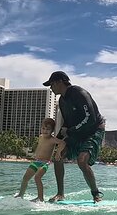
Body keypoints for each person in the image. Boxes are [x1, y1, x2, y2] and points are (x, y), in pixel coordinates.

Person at [43, 71, 105, 203]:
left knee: (82, 161)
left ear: (60, 82)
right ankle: (60, 194)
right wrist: (55, 140)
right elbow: (67, 124)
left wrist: (70, 131)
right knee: (58, 157)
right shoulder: (62, 101)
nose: (51, 88)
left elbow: (91, 119)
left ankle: (96, 195)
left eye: (52, 84)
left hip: (93, 130)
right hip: (76, 132)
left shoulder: (79, 93)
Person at [15, 118, 66, 202]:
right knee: (25, 178)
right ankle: (21, 195)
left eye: (48, 129)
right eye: (43, 128)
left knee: (37, 177)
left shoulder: (52, 139)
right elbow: (40, 147)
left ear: (52, 130)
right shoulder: (41, 137)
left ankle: (40, 197)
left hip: (45, 163)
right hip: (36, 161)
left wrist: (58, 153)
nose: (45, 131)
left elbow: (63, 143)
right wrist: (35, 153)